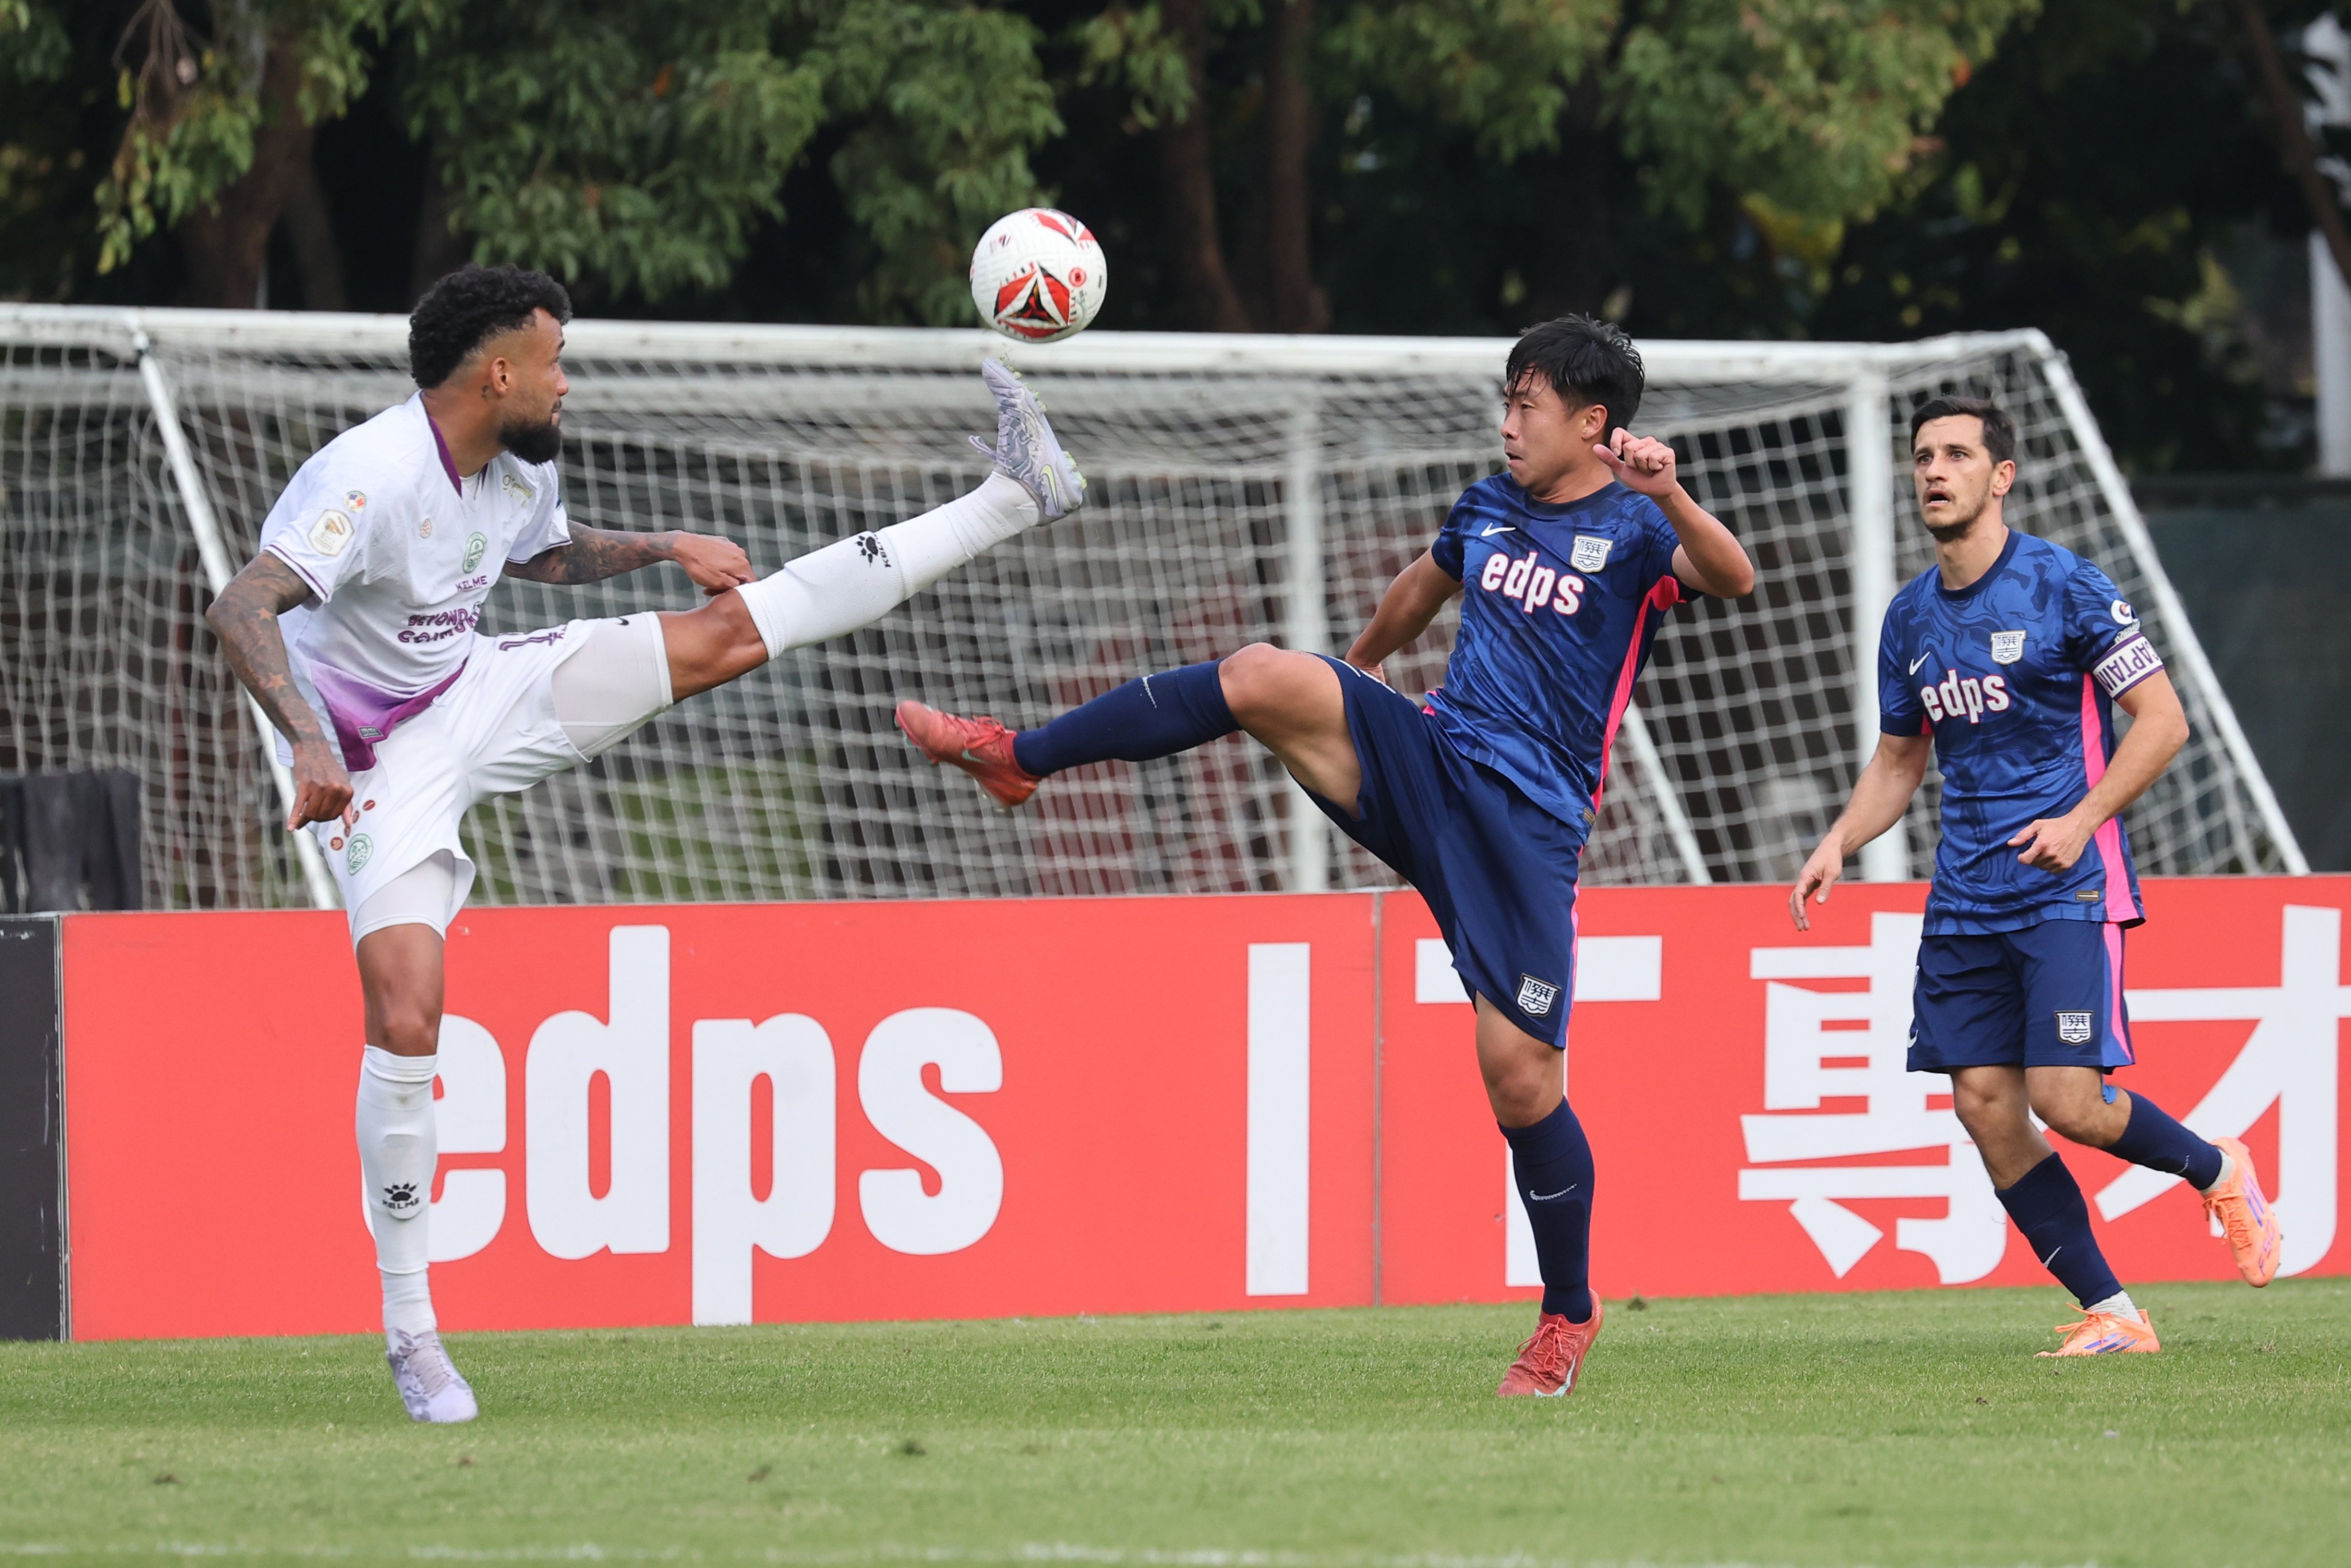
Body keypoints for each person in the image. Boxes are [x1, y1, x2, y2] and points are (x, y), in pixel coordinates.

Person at [206, 264, 1084, 1422]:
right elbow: (242, 605)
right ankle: (412, 1333)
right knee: (409, 1014)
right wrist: (311, 747)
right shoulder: (367, 473)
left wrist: (665, 544)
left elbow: (542, 559)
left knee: (729, 630)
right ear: (497, 370)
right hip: (366, 757)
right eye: (554, 359)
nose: (567, 381)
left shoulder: (516, 464)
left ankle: (1013, 499)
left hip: (476, 692)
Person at [897, 315, 1756, 1397]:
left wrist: (1672, 491)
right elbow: (1418, 589)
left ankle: (1567, 1314)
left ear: (1594, 424)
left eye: (1527, 407)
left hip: (1528, 832)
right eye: (1505, 402)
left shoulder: (1636, 530)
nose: (1507, 426)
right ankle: (1017, 756)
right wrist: (1349, 680)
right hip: (1433, 759)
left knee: (1521, 1079)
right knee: (1266, 674)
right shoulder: (1486, 508)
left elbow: (1734, 578)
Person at [1790, 395, 2281, 1356]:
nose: (1936, 470)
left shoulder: (2067, 586)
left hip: (2068, 887)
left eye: (1958, 455)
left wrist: (2082, 819)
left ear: (2000, 477)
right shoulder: (1909, 618)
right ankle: (2113, 1313)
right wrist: (1839, 839)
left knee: (2068, 1101)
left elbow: (2164, 722)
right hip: (1964, 898)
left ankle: (2219, 1166)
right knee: (1982, 1103)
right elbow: (1900, 759)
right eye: (1925, 456)